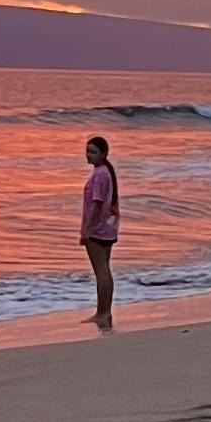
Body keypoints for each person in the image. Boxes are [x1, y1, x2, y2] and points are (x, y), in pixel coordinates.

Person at [78, 133, 121, 328]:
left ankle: (103, 312)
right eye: (87, 151)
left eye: (93, 152)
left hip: (98, 229)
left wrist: (86, 229)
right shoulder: (105, 173)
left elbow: (96, 205)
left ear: (103, 154)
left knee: (101, 271)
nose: (89, 155)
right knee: (104, 270)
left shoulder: (100, 175)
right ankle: (104, 311)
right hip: (108, 228)